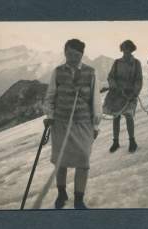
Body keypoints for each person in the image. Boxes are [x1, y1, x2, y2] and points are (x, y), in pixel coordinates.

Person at [43, 39, 102, 209]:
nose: (72, 57)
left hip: (83, 124)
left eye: (76, 54)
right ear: (65, 53)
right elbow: (50, 97)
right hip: (60, 124)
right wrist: (50, 115)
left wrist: (96, 125)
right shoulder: (58, 72)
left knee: (83, 160)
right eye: (69, 53)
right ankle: (62, 194)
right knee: (61, 161)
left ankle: (78, 200)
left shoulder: (91, 72)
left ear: (82, 54)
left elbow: (96, 101)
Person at [106, 40, 143, 153]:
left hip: (130, 95)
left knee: (128, 116)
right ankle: (116, 142)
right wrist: (114, 87)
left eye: (128, 49)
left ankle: (132, 141)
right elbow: (111, 77)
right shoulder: (117, 63)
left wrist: (134, 93)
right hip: (117, 94)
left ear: (132, 50)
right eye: (124, 49)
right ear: (122, 50)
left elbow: (138, 80)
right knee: (116, 117)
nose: (126, 51)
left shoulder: (136, 63)